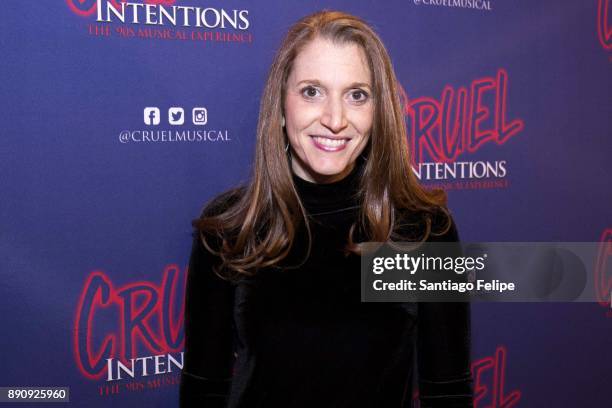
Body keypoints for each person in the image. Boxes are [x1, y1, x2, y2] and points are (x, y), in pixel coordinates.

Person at [180, 10, 472, 408]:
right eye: (312, 91)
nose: (335, 119)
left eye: (357, 95)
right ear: (281, 106)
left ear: (378, 112)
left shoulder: (421, 231)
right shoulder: (234, 228)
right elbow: (204, 389)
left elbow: (447, 390)